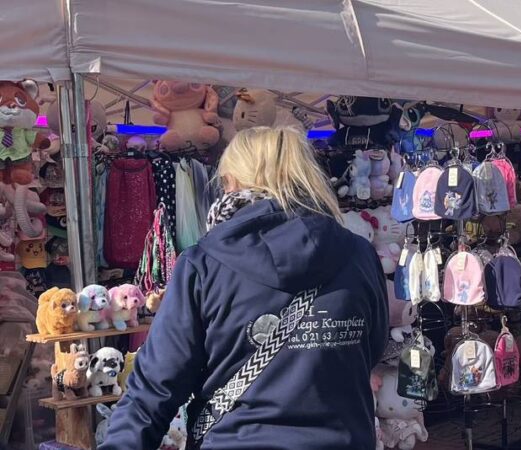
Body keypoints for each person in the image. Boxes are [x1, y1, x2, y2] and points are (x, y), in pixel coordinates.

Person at [100, 126, 389, 449]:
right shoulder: (359, 255)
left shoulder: (205, 264)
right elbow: (373, 346)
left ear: (233, 183)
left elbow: (153, 391)